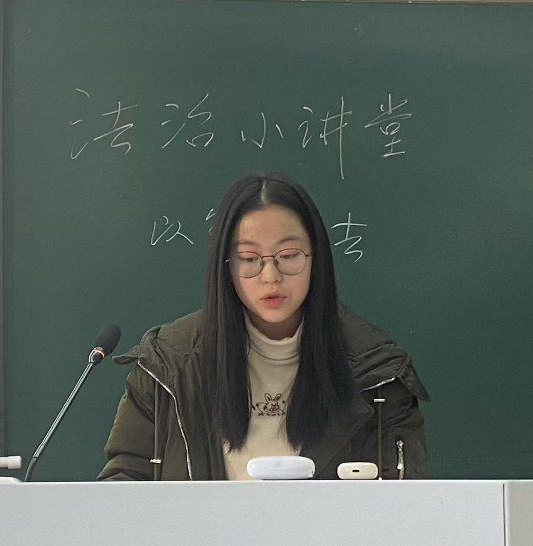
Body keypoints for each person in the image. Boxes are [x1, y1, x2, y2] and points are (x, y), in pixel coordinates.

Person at [98, 172, 429, 481]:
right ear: (226, 267)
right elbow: (120, 498)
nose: (271, 276)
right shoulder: (168, 367)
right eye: (249, 259)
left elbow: (408, 508)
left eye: (289, 255)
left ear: (316, 260)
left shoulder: (378, 375)